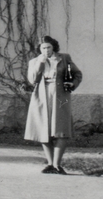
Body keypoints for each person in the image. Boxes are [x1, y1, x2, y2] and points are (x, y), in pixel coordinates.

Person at [25, 35, 82, 174]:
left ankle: (57, 164)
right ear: (39, 49)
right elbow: (33, 80)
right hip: (41, 97)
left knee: (61, 130)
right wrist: (41, 63)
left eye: (48, 47)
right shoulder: (34, 61)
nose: (46, 50)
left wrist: (72, 84)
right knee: (42, 130)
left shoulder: (64, 58)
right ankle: (50, 164)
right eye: (43, 48)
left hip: (60, 96)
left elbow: (77, 74)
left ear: (54, 47)